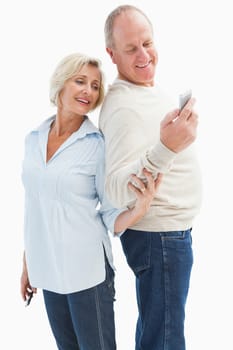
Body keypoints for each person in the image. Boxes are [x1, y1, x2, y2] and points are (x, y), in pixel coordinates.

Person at [20, 52, 163, 350]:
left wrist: (141, 208)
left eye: (96, 86)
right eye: (80, 81)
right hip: (47, 269)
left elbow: (110, 213)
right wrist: (28, 263)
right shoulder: (33, 138)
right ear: (61, 84)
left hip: (87, 273)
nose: (89, 91)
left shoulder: (97, 146)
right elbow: (36, 206)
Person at [99, 5, 202, 350]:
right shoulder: (122, 106)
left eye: (147, 42)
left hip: (167, 238)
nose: (144, 54)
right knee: (166, 339)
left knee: (158, 333)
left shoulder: (141, 91)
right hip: (160, 240)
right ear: (111, 54)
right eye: (131, 48)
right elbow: (114, 189)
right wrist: (167, 147)